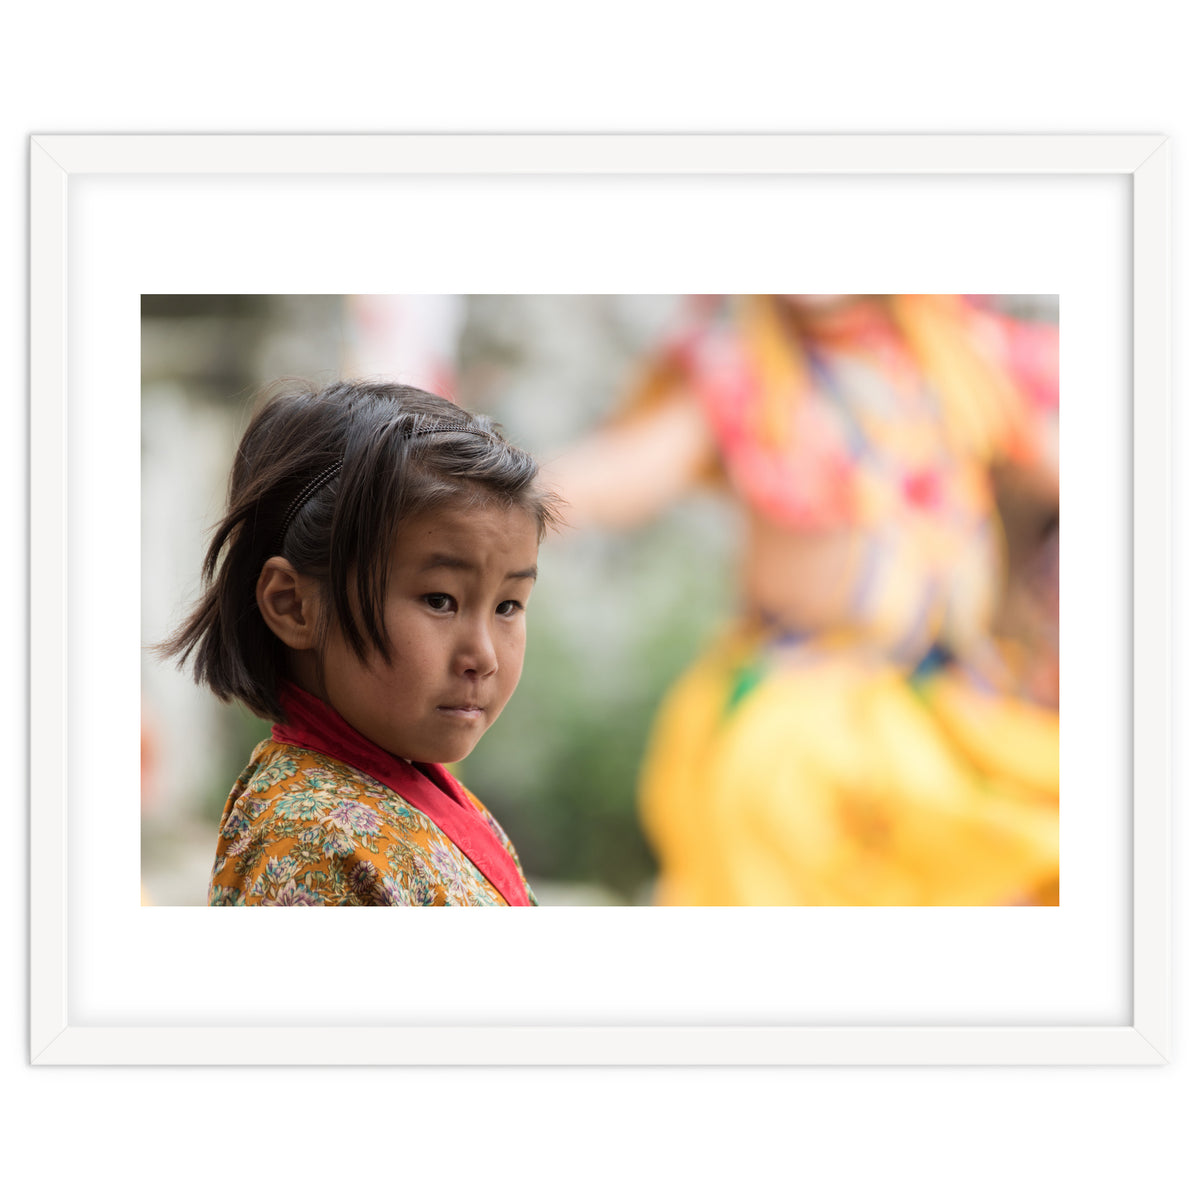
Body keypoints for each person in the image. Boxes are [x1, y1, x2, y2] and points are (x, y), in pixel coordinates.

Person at [544, 294, 1059, 906]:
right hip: (806, 711)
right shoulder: (740, 368)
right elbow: (622, 475)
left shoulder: (956, 357)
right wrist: (492, 496)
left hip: (952, 705)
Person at [160, 380, 558, 906]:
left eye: (508, 605)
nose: (482, 656)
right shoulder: (309, 842)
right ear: (293, 605)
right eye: (440, 600)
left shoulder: (416, 791)